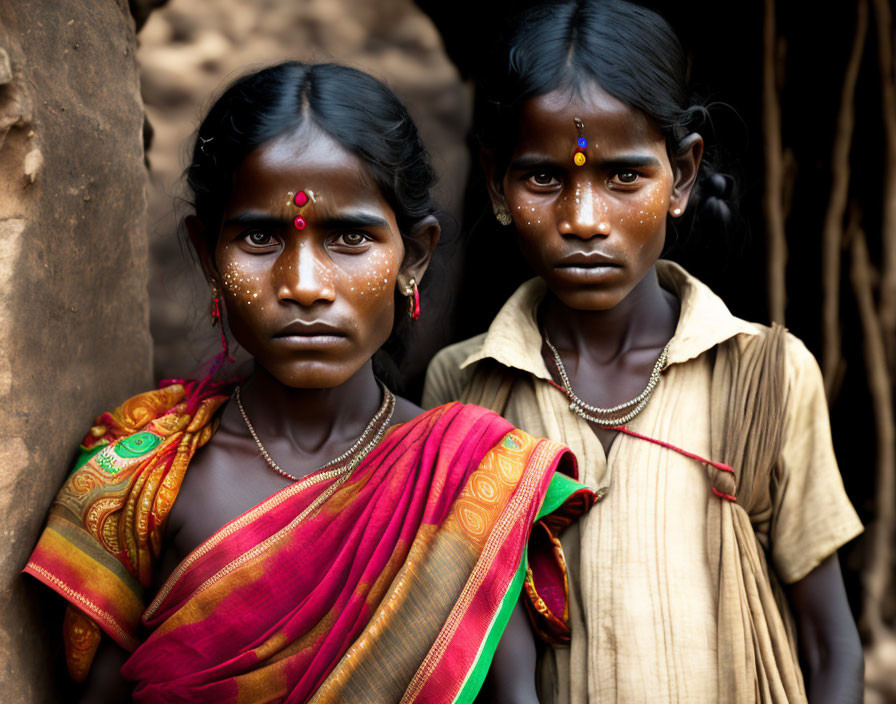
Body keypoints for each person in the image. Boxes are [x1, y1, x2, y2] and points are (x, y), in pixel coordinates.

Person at [25, 61, 594, 704]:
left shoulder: (469, 481)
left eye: (350, 236)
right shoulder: (144, 478)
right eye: (261, 237)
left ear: (415, 256)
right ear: (207, 253)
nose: (303, 286)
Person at [423, 1, 864, 702]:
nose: (584, 219)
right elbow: (466, 636)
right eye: (544, 178)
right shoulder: (467, 385)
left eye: (625, 176)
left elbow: (830, 645)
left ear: (682, 175)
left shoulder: (767, 376)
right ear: (495, 182)